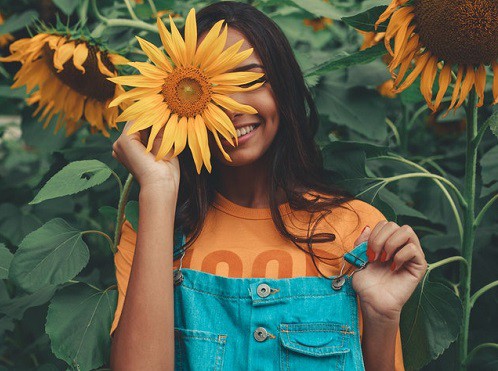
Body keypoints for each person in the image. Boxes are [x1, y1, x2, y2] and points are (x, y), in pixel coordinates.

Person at [109, 2, 427, 370]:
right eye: (205, 90)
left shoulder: (357, 230)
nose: (230, 107)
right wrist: (159, 187)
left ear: (285, 86)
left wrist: (382, 320)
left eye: (247, 80)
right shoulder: (153, 232)